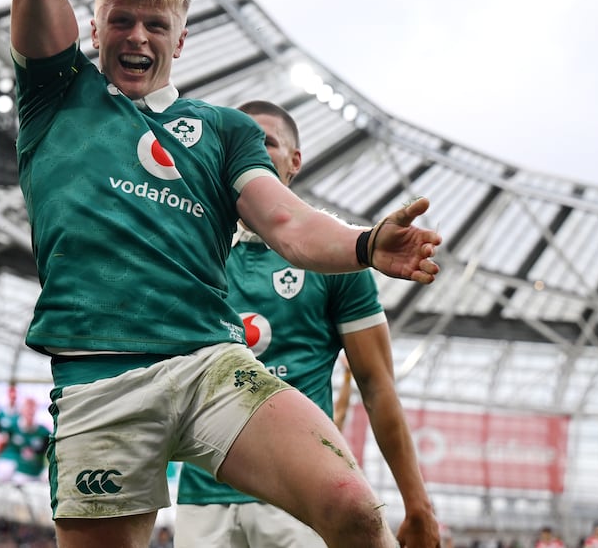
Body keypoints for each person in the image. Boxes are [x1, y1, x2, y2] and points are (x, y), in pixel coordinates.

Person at [9, 0, 442, 548]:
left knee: (352, 505)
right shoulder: (57, 96)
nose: (137, 37)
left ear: (180, 39)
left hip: (207, 362)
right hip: (100, 377)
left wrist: (362, 242)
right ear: (94, 31)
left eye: (156, 25)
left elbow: (288, 224)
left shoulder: (221, 130)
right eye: (121, 21)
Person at [174, 101, 439, 547]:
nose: (250, 152)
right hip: (202, 497)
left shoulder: (338, 258)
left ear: (294, 162)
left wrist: (417, 504)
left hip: (299, 495)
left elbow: (377, 387)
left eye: (266, 142)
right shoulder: (188, 250)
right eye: (236, 143)